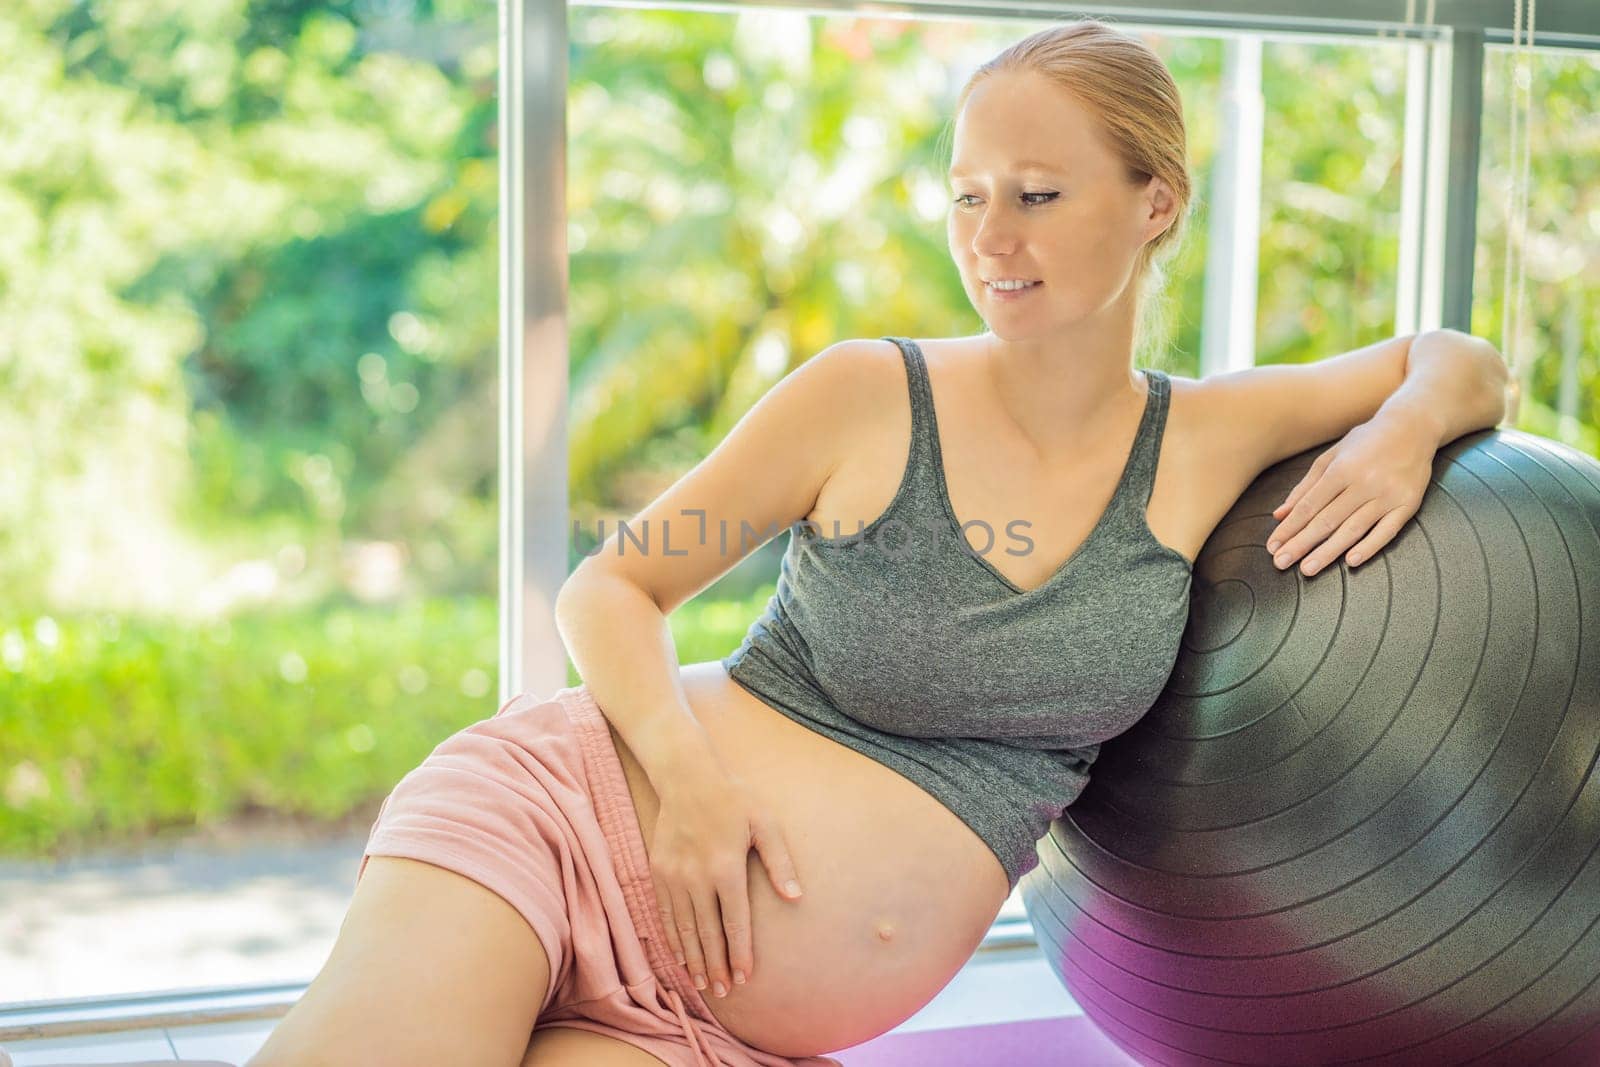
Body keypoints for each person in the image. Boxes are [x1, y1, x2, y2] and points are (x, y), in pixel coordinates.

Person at [243, 16, 1506, 1067]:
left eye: (1037, 195)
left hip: (717, 1027)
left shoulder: (1206, 435)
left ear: (1153, 202)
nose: (988, 235)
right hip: (572, 832)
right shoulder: (863, 396)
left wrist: (1401, 433)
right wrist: (686, 793)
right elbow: (612, 585)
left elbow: (1457, 359)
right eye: (966, 195)